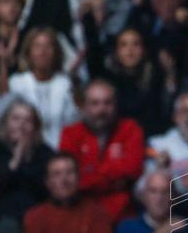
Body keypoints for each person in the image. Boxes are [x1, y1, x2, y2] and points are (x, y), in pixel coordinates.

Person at [59, 79, 145, 222]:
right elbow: (69, 180)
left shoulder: (130, 129)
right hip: (80, 212)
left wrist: (90, 173)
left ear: (116, 105)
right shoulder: (70, 133)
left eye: (107, 103)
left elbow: (133, 169)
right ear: (84, 106)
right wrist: (114, 177)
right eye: (95, 103)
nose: (102, 110)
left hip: (122, 214)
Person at [23, 152, 114, 233]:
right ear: (48, 182)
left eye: (70, 172)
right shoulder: (35, 217)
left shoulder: (97, 215)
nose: (64, 180)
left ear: (79, 178)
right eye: (56, 174)